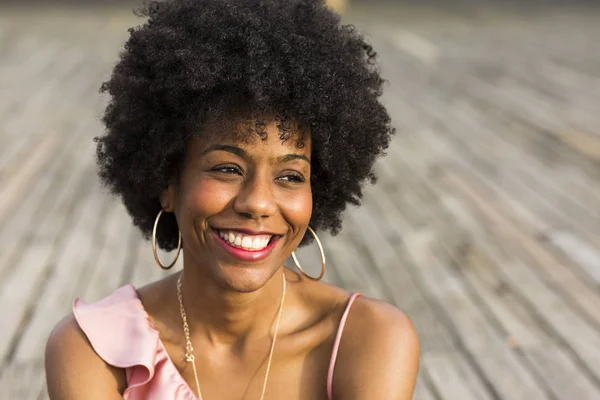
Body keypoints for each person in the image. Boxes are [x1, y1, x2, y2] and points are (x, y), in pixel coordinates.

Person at [44, 0, 420, 399]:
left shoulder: (368, 340)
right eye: (227, 168)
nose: (258, 202)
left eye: (290, 176)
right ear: (167, 183)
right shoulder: (95, 349)